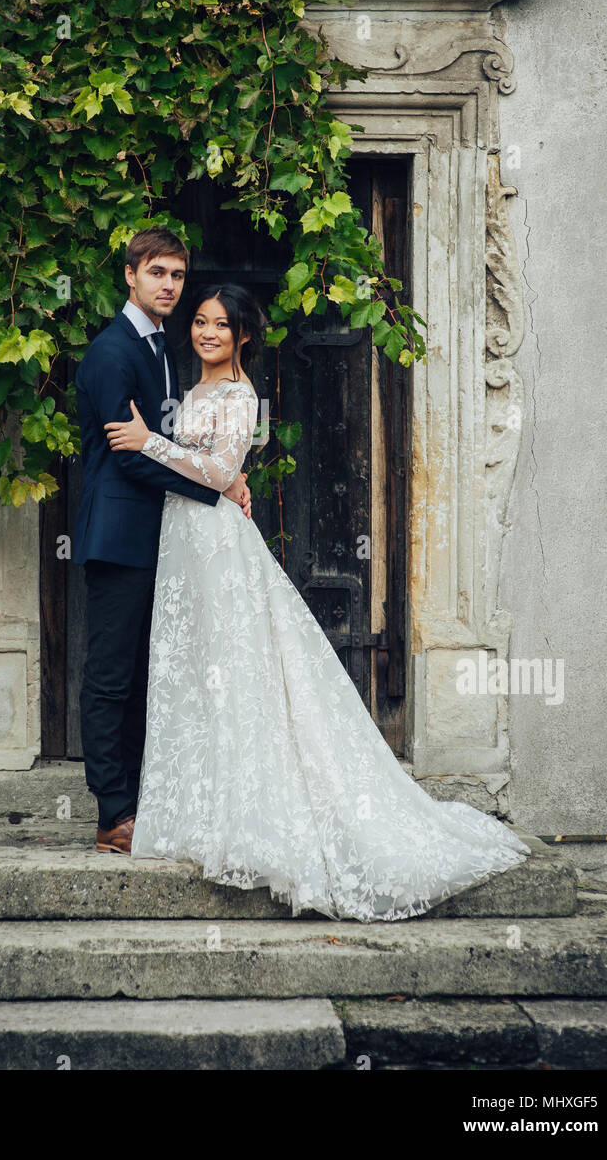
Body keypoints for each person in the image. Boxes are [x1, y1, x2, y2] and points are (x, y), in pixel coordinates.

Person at [103, 282, 531, 921]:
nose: (207, 332)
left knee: (237, 667)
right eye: (200, 322)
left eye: (221, 324)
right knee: (193, 668)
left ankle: (255, 818)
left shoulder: (242, 395)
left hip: (218, 543)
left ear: (243, 335)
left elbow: (220, 472)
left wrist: (150, 443)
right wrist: (196, 460)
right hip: (184, 541)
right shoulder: (191, 392)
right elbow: (217, 469)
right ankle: (198, 812)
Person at [72, 233, 251, 855]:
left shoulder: (166, 351)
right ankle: (112, 814)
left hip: (167, 540)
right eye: (157, 273)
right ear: (130, 277)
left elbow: (171, 444)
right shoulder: (111, 354)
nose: (169, 285)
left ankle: (148, 801)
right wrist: (218, 491)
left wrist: (228, 473)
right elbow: (130, 455)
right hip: (120, 537)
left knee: (155, 674)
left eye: (177, 275)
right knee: (111, 676)